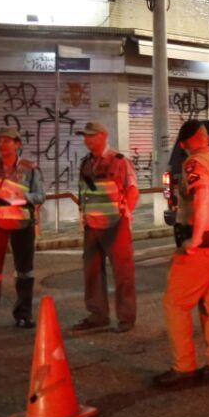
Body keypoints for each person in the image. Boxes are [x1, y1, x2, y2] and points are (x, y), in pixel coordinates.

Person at [155, 120, 209, 388]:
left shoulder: (195, 164)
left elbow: (201, 195)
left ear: (187, 142)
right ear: (207, 138)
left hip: (202, 245)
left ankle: (183, 368)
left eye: (182, 146)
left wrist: (195, 239)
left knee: (176, 304)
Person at [0, 127, 46, 334]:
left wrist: (23, 199)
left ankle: (23, 316)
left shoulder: (30, 168)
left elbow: (40, 195)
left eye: (6, 140)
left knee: (24, 273)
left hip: (21, 226)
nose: (2, 144)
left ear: (17, 144)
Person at [71, 122, 141, 333]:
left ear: (103, 135)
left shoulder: (119, 161)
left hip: (115, 225)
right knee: (91, 272)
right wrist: (83, 215)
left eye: (91, 136)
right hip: (92, 226)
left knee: (123, 273)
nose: (87, 140)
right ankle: (97, 315)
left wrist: (126, 213)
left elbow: (133, 189)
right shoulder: (85, 163)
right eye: (85, 136)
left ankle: (126, 318)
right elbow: (84, 193)